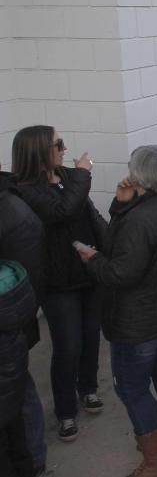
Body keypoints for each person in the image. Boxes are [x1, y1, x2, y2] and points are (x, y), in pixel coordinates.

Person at [77, 146, 157, 477]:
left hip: (134, 319)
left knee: (131, 387)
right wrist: (120, 204)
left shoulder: (141, 219)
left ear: (141, 174)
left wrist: (93, 260)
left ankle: (155, 463)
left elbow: (121, 273)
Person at [11, 126, 106, 443]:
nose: (64, 149)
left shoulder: (67, 175)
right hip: (58, 280)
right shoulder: (26, 189)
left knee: (92, 334)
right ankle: (65, 410)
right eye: (58, 144)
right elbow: (61, 212)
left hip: (88, 269)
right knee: (68, 345)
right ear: (39, 151)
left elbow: (86, 212)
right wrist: (82, 175)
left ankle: (88, 388)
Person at [0, 169, 44, 477]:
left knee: (18, 401)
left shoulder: (13, 212)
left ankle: (34, 461)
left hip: (10, 329)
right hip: (12, 326)